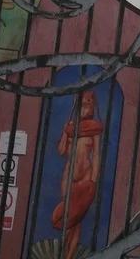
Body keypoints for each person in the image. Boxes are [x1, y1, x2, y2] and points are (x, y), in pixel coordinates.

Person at [51, 93, 103, 259]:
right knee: (68, 218)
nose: (84, 108)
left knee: (77, 220)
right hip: (69, 177)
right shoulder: (70, 126)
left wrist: (93, 180)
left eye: (87, 104)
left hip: (85, 176)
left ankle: (68, 256)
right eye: (82, 105)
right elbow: (61, 151)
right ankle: (63, 254)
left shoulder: (94, 129)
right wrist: (65, 132)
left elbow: (96, 155)